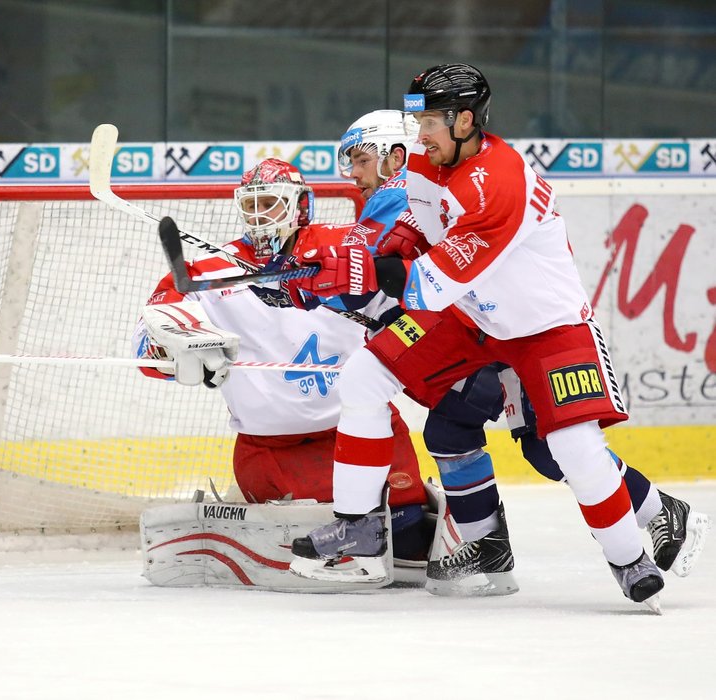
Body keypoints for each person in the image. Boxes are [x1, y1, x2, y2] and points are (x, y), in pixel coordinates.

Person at [283, 63, 674, 610]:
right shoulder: (427, 156)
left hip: (546, 326)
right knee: (364, 377)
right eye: (416, 122)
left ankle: (630, 560)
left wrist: (357, 271)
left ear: (466, 120)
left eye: (430, 123)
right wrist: (378, 250)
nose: (418, 137)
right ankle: (360, 527)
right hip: (475, 317)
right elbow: (417, 226)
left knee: (570, 448)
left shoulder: (500, 185)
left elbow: (426, 285)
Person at [132, 158, 434, 574]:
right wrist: (183, 350)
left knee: (412, 547)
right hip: (270, 452)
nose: (259, 215)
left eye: (271, 203)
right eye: (251, 205)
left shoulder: (345, 249)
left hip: (363, 431)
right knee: (311, 549)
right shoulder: (209, 271)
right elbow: (150, 336)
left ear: (300, 205)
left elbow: (408, 298)